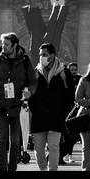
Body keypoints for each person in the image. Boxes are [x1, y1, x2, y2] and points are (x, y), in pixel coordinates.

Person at [0, 31, 36, 171]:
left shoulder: (25, 61)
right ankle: (1, 167)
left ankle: (12, 167)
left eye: (7, 45)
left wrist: (29, 91)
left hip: (18, 107)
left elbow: (33, 81)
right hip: (1, 106)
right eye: (3, 44)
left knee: (15, 141)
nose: (3, 47)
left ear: (15, 45)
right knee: (1, 139)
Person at [27, 42, 71, 170]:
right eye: (40, 54)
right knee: (38, 149)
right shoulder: (35, 72)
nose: (41, 57)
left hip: (56, 117)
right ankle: (43, 169)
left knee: (54, 146)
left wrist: (63, 113)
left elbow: (70, 95)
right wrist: (33, 109)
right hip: (38, 117)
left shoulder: (63, 72)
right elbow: (30, 93)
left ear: (52, 55)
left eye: (44, 54)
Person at [59, 60, 80, 164]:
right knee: (70, 136)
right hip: (67, 112)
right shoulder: (62, 79)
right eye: (72, 70)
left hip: (73, 112)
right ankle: (58, 156)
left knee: (71, 136)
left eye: (75, 69)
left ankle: (58, 156)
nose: (74, 71)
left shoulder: (79, 79)